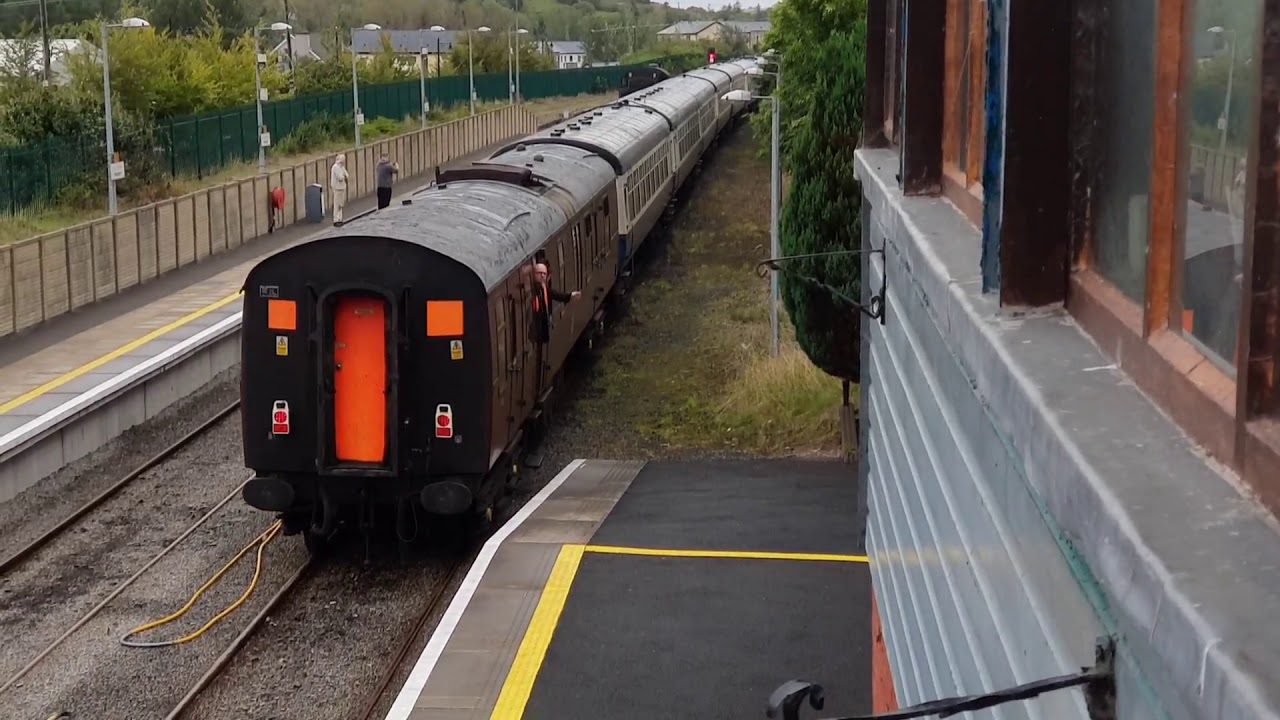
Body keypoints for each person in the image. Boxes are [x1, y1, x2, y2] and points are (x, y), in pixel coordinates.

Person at [530, 262, 581, 343]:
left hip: (542, 327)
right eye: (539, 273)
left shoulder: (544, 290)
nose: (542, 276)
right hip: (535, 329)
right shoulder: (531, 292)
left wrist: (571, 295)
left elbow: (557, 295)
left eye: (544, 274)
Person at [330, 155, 349, 225]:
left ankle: (340, 218)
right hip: (337, 188)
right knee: (337, 204)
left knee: (341, 204)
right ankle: (336, 219)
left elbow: (347, 175)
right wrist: (344, 176)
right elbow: (340, 177)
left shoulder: (342, 167)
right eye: (343, 160)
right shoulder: (335, 167)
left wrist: (344, 176)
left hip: (342, 187)